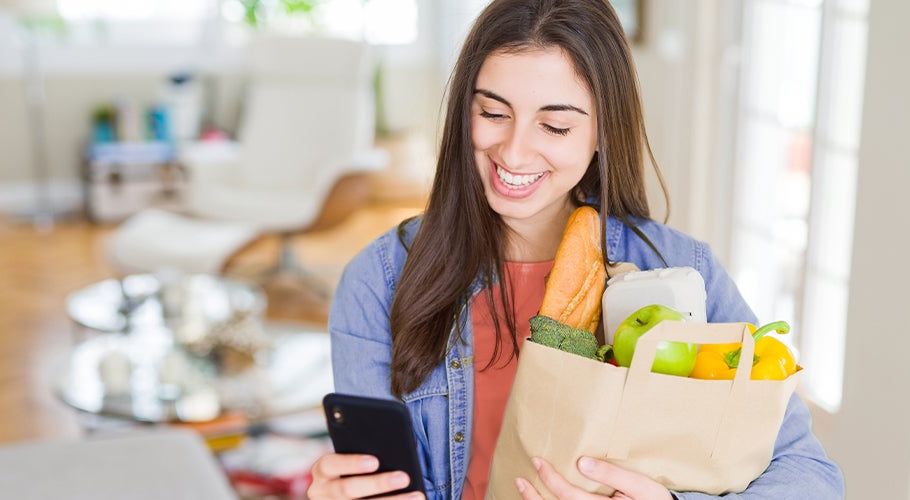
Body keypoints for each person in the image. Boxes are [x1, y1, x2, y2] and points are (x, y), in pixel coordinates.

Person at [308, 0, 844, 498]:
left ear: (602, 132)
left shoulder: (681, 271)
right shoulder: (380, 279)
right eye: (493, 113)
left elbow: (811, 476)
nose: (514, 151)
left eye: (555, 124)